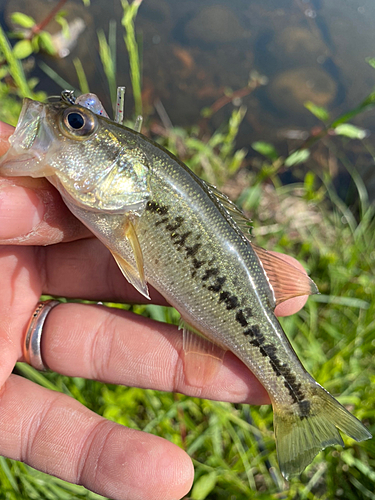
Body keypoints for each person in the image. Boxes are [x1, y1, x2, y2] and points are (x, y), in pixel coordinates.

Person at [0, 120, 309, 500]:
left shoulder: (138, 196)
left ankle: (298, 400)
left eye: (77, 126)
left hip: (227, 304)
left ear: (124, 170)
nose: (63, 128)